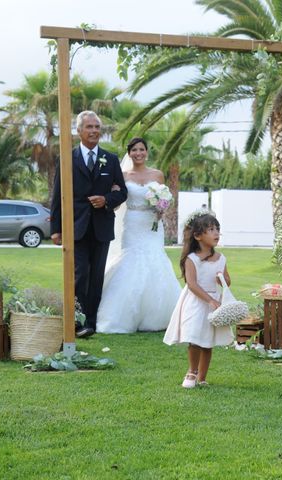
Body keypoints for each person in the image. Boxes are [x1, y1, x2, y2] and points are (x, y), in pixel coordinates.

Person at [50, 111, 128, 338]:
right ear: (79, 131)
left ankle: (90, 323)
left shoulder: (110, 159)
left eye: (97, 127)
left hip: (102, 227)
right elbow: (57, 195)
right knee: (80, 274)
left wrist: (106, 200)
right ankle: (76, 321)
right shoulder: (67, 158)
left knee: (96, 278)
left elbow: (122, 192)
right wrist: (56, 229)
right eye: (89, 127)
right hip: (76, 226)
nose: (94, 131)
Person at [96, 137, 181, 333]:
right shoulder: (123, 175)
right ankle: (120, 316)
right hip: (133, 223)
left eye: (141, 149)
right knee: (131, 262)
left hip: (152, 224)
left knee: (156, 261)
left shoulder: (158, 175)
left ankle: (158, 316)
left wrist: (162, 207)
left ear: (147, 152)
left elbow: (165, 199)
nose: (138, 153)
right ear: (129, 153)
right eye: (134, 150)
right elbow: (116, 201)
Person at [163, 210, 234, 388]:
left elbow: (228, 281)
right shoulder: (191, 259)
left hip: (213, 302)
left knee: (207, 341)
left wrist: (221, 279)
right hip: (196, 302)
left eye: (217, 228)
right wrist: (209, 300)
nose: (216, 233)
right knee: (194, 338)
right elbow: (192, 284)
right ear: (197, 236)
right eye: (210, 229)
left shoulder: (221, 258)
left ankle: (202, 377)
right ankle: (192, 371)